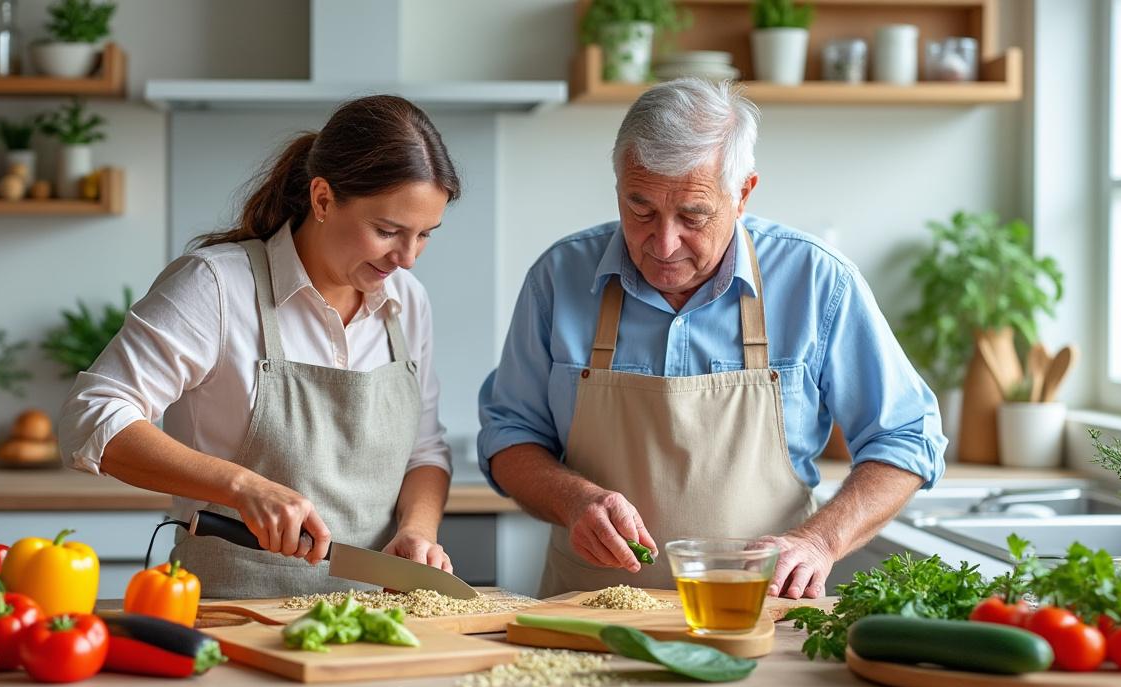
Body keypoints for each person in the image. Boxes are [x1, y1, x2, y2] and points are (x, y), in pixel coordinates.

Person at [478, 79, 946, 599]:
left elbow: (906, 436)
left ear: (742, 193)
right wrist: (573, 500)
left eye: (692, 216)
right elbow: (508, 438)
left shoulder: (817, 281)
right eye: (641, 210)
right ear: (618, 188)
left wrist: (819, 541)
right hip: (588, 614)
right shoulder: (558, 278)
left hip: (760, 612)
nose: (663, 243)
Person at [59, 95, 460, 597]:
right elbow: (92, 416)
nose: (407, 258)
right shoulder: (216, 286)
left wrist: (417, 531)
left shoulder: (406, 300)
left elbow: (424, 450)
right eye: (387, 231)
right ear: (322, 199)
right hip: (229, 616)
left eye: (424, 235)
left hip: (371, 618)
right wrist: (242, 486)